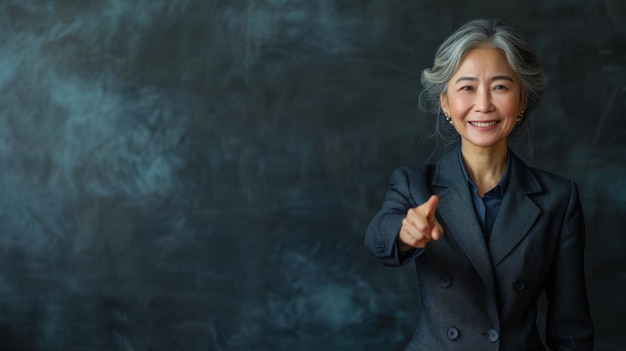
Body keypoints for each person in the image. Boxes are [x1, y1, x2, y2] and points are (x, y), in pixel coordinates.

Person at [364, 19, 593, 350]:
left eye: (500, 87)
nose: (483, 104)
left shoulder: (558, 198)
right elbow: (377, 238)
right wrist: (404, 233)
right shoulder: (414, 184)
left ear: (523, 99)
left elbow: (570, 325)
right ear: (445, 102)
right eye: (467, 87)